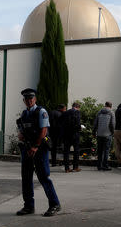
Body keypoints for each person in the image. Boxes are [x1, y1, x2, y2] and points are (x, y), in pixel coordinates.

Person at [16, 88, 60, 217]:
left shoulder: (41, 111)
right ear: (24, 100)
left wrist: (35, 146)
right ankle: (28, 206)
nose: (29, 101)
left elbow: (44, 131)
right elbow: (22, 129)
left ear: (34, 99)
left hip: (39, 148)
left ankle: (55, 204)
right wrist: (21, 135)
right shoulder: (25, 114)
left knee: (43, 177)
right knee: (26, 177)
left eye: (31, 99)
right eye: (27, 99)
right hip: (27, 148)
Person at [93, 101, 115, 171]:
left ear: (105, 105)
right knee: (106, 150)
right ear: (111, 106)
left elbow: (95, 123)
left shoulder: (99, 112)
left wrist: (94, 132)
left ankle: (99, 165)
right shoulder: (111, 112)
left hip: (99, 134)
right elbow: (112, 124)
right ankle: (105, 166)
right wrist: (112, 132)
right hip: (107, 134)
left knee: (100, 150)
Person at [63, 102, 82, 173]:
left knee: (66, 152)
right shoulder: (77, 112)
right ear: (77, 107)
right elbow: (77, 123)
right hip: (75, 134)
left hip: (66, 135)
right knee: (76, 151)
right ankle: (75, 167)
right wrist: (80, 128)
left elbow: (62, 123)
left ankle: (67, 168)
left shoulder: (65, 113)